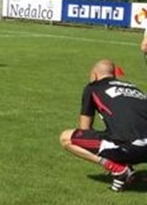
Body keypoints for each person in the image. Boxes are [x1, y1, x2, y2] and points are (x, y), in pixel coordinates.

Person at [59, 59, 147, 192]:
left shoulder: (93, 87)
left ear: (94, 75)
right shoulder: (134, 88)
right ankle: (126, 165)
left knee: (66, 138)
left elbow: (85, 129)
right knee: (123, 132)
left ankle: (119, 169)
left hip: (131, 149)